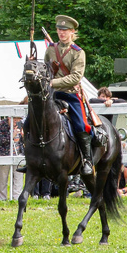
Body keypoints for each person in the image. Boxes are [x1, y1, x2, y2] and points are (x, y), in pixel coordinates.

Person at [42, 15, 95, 176]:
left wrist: (54, 83)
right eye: (59, 30)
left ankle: (87, 160)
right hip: (51, 95)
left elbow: (75, 77)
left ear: (72, 32)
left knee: (81, 125)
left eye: (65, 30)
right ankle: (32, 158)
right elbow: (45, 69)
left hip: (70, 95)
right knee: (33, 121)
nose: (61, 33)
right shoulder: (51, 49)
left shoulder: (78, 53)